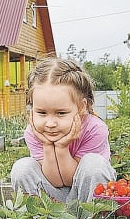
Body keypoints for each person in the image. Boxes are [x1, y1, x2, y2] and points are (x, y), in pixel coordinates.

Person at [10, 57, 116, 202]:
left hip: (85, 198)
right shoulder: (33, 133)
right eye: (41, 112)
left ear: (81, 107)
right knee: (22, 168)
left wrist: (61, 147)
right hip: (51, 199)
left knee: (94, 164)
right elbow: (56, 182)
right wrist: (48, 145)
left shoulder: (95, 129)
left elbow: (69, 180)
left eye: (61, 113)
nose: (50, 123)